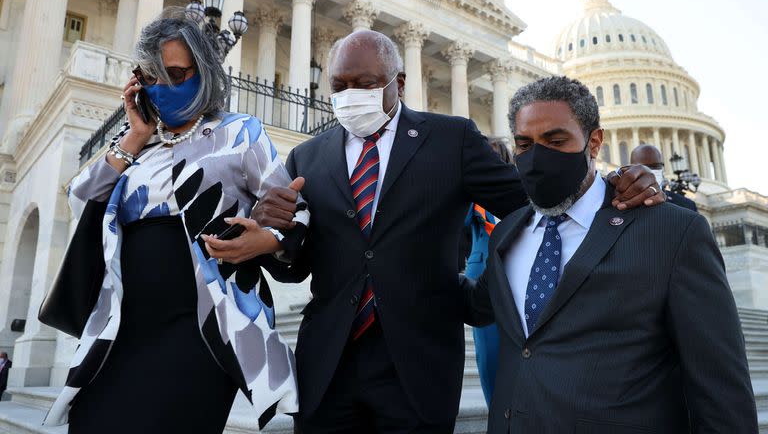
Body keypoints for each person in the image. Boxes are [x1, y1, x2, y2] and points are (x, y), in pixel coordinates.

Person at [211, 30, 663, 433]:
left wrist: (610, 184)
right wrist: (276, 237)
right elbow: (297, 267)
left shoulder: (451, 140)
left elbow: (531, 204)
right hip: (329, 362)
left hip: (419, 361)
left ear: (398, 84)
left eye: (365, 85)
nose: (350, 95)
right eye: (339, 86)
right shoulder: (308, 157)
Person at [44, 8, 308, 433]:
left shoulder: (240, 132)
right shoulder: (135, 144)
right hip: (121, 328)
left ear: (204, 71)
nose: (164, 87)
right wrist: (133, 137)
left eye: (177, 74)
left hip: (203, 330)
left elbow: (292, 208)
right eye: (152, 78)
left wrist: (268, 240)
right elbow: (80, 201)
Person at [464, 76, 757, 433]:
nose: (538, 157)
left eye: (556, 140)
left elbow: (720, 383)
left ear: (595, 141)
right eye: (525, 144)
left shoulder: (671, 232)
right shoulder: (507, 233)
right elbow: (480, 307)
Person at [463, 137, 511, 406]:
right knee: (489, 353)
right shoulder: (472, 196)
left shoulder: (519, 192)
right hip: (482, 277)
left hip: (517, 276)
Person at [631, 143, 698, 211]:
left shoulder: (686, 205)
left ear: (662, 168)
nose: (650, 171)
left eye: (655, 166)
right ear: (630, 169)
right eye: (643, 167)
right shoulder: (623, 205)